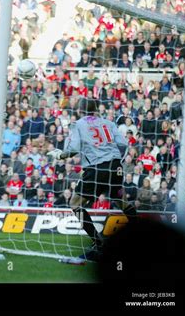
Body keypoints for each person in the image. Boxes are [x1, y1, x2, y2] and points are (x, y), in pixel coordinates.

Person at [48, 98, 137, 261]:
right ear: (96, 110)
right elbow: (123, 144)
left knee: (74, 203)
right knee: (120, 199)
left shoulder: (78, 125)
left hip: (96, 167)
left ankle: (99, 244)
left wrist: (59, 155)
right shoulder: (108, 123)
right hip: (115, 165)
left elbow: (73, 149)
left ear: (80, 111)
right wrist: (117, 160)